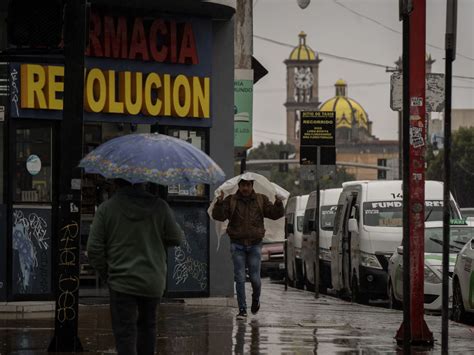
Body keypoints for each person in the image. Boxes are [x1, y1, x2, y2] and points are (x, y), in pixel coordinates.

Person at [87, 180, 183, 355]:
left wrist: (107, 274)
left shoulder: (107, 208)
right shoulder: (160, 207)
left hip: (121, 282)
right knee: (148, 329)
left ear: (116, 182)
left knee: (125, 334)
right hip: (152, 281)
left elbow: (93, 249)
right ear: (144, 182)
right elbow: (176, 238)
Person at [212, 178, 284, 319]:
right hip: (237, 244)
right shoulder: (231, 200)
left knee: (255, 279)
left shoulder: (260, 199)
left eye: (248, 185)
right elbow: (218, 216)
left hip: (255, 244)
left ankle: (255, 299)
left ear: (252, 186)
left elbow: (275, 214)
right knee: (239, 277)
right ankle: (242, 310)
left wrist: (279, 203)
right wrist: (219, 203)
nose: (245, 188)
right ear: (239, 186)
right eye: (243, 185)